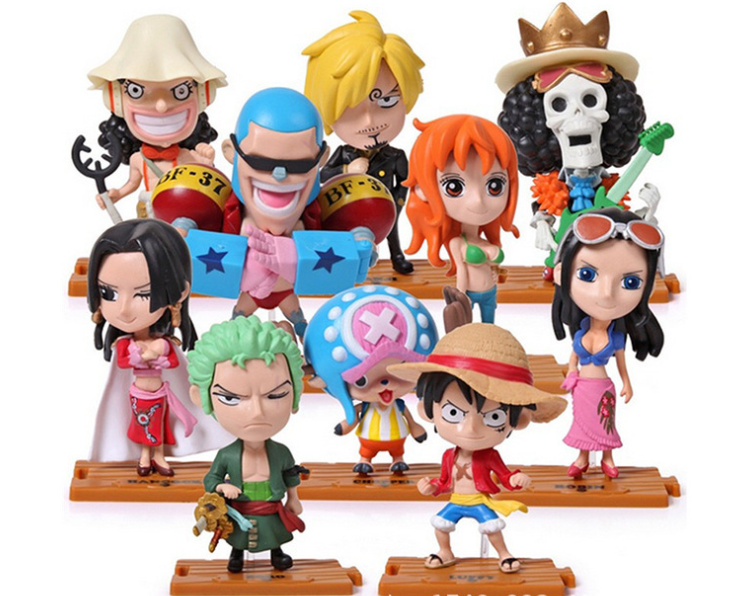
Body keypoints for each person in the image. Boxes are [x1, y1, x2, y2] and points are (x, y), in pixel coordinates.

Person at [389, 324, 566, 573]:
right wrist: (432, 487)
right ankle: (445, 551)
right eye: (453, 413)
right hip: (457, 500)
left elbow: (505, 476)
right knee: (440, 525)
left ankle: (504, 555)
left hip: (479, 500)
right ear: (426, 411)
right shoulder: (449, 456)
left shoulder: (490, 455)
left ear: (520, 420)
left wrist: (517, 479)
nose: (471, 428)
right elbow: (444, 482)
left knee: (492, 529)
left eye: (494, 417)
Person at [303, 10, 424, 274]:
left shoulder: (395, 155)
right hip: (346, 207)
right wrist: (348, 169)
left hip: (387, 208)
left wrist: (397, 202)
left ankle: (396, 256)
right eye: (351, 108)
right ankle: (345, 265)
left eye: (387, 101)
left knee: (392, 233)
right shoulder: (343, 154)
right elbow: (322, 175)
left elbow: (406, 182)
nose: (370, 121)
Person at [552, 207, 664, 478]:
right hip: (582, 387)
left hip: (603, 387)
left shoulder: (615, 337)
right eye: (587, 275)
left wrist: (626, 382)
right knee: (581, 424)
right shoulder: (580, 333)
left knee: (605, 424)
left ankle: (607, 459)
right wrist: (571, 373)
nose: (605, 295)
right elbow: (573, 359)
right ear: (560, 273)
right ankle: (582, 458)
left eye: (631, 282)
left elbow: (621, 363)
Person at [188, 316, 306, 572]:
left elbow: (290, 475)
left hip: (271, 506)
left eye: (276, 395)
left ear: (296, 394)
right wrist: (221, 486)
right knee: (238, 537)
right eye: (231, 398)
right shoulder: (227, 454)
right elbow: (210, 478)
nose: (257, 412)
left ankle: (276, 553)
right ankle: (237, 554)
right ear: (201, 398)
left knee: (274, 533)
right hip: (240, 507)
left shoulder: (281, 452)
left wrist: (293, 499)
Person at [87, 219, 200, 475]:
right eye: (109, 294)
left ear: (179, 292)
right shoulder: (126, 344)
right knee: (141, 426)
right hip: (139, 395)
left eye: (144, 294)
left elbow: (173, 362)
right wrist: (147, 354)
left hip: (158, 394)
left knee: (158, 426)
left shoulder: (164, 343)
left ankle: (158, 455)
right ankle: (144, 456)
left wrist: (154, 352)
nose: (124, 310)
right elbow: (124, 361)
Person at [88, 14, 226, 220]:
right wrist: (117, 194)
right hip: (147, 210)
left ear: (203, 95)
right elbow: (132, 184)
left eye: (180, 91)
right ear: (114, 99)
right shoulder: (138, 159)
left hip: (183, 211)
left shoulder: (186, 156)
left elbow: (209, 182)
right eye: (137, 91)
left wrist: (207, 163)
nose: (161, 106)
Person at [304, 286, 438, 473]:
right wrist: (346, 425)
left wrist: (415, 428)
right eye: (362, 381)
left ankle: (397, 459)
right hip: (369, 439)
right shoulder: (367, 406)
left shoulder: (399, 405)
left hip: (397, 439)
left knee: (397, 450)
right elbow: (354, 416)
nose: (385, 384)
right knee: (367, 450)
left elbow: (408, 417)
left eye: (400, 372)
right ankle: (365, 459)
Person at [405, 115, 519, 323]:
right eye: (454, 187)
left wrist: (495, 272)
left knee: (490, 329)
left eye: (495, 185)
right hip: (469, 295)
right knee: (467, 332)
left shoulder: (484, 239)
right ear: (423, 189)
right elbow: (462, 273)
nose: (478, 201)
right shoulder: (457, 242)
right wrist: (460, 295)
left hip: (490, 292)